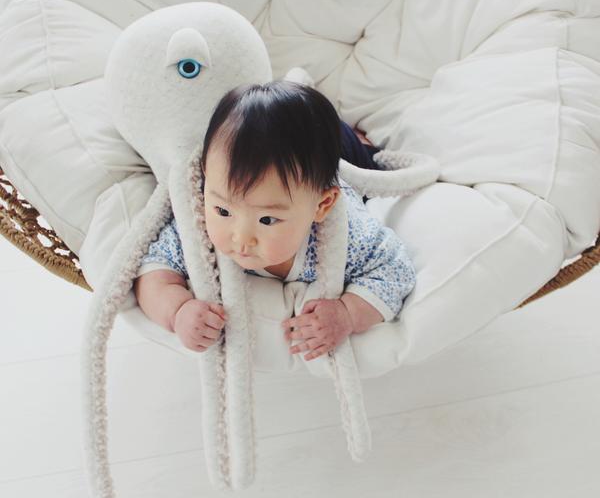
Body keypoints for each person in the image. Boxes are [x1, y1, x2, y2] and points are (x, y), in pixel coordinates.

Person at [132, 81, 416, 361]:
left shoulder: (347, 238)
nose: (241, 238)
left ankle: (356, 137)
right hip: (290, 155)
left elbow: (395, 272)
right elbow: (154, 269)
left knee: (360, 153)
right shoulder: (199, 225)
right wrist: (177, 311)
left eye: (267, 219)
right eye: (224, 212)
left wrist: (348, 313)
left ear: (322, 205)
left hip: (345, 152)